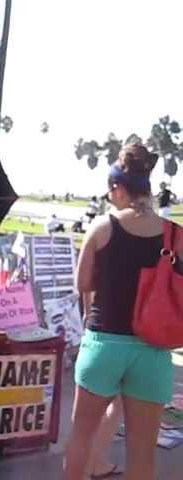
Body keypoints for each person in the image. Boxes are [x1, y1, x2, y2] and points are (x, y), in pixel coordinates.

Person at [64, 143, 183, 480]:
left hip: (104, 344)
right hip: (154, 349)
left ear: (117, 188)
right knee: (143, 452)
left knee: (81, 438)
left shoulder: (102, 228)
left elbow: (83, 282)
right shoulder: (175, 234)